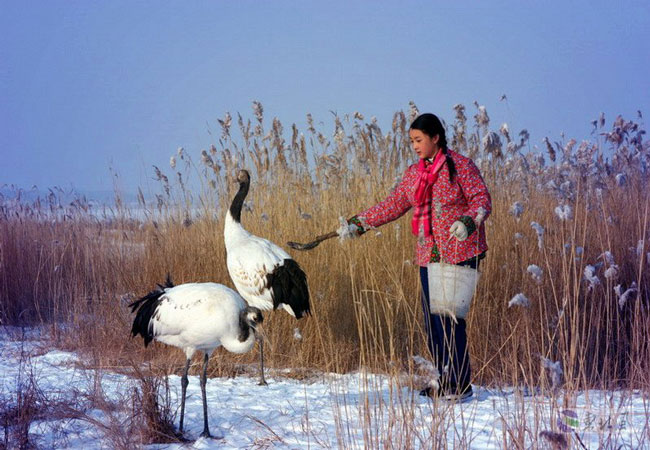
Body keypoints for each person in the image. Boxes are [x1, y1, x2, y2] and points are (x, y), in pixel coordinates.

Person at [344, 112, 491, 401]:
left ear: (435, 138)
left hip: (459, 252)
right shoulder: (415, 174)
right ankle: (443, 379)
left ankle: (459, 385)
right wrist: (360, 223)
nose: (414, 145)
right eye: (411, 141)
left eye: (419, 140)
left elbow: (481, 199)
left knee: (450, 320)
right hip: (428, 255)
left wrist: (469, 221)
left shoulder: (460, 166)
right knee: (432, 322)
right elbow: (395, 204)